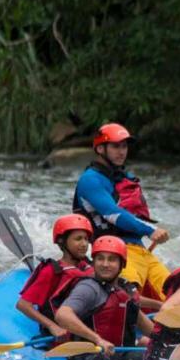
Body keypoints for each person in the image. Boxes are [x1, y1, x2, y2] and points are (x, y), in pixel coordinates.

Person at [72, 122, 171, 305]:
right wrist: (150, 230)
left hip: (140, 250)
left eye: (124, 146)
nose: (122, 151)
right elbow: (113, 214)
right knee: (129, 298)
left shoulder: (124, 177)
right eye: (116, 146)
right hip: (112, 253)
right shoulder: (90, 180)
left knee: (176, 291)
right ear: (101, 149)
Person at [51, 235, 156, 360]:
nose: (105, 264)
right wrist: (97, 339)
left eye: (112, 259)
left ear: (122, 264)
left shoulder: (123, 291)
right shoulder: (88, 288)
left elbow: (150, 329)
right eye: (100, 259)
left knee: (152, 346)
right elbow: (63, 315)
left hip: (116, 356)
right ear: (93, 262)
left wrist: (173, 340)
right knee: (155, 357)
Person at [15, 214, 93, 339]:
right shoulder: (52, 271)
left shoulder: (90, 267)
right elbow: (23, 305)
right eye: (78, 239)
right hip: (63, 333)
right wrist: (52, 326)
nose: (84, 244)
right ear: (62, 242)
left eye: (86, 239)